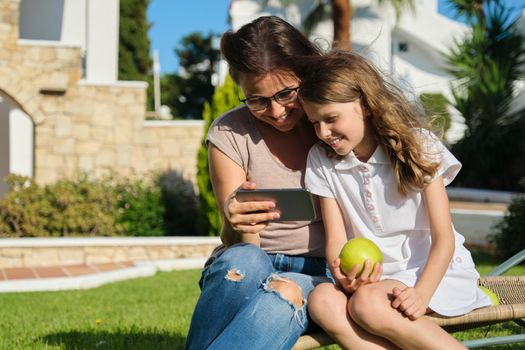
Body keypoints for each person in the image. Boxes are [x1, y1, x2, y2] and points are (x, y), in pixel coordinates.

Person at [299, 51, 492, 350]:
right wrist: (342, 274)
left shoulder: (419, 146)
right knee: (322, 300)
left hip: (434, 273)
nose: (323, 133)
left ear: (364, 105)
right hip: (374, 281)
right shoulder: (321, 160)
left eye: (331, 118)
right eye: (314, 122)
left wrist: (422, 294)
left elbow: (444, 239)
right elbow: (336, 241)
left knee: (367, 305)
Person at [184, 16, 331, 350]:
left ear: (305, 74)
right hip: (253, 260)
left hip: (319, 271)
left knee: (285, 291)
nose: (276, 110)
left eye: (285, 93)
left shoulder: (328, 124)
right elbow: (237, 241)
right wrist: (236, 221)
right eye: (258, 100)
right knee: (243, 262)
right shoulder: (230, 133)